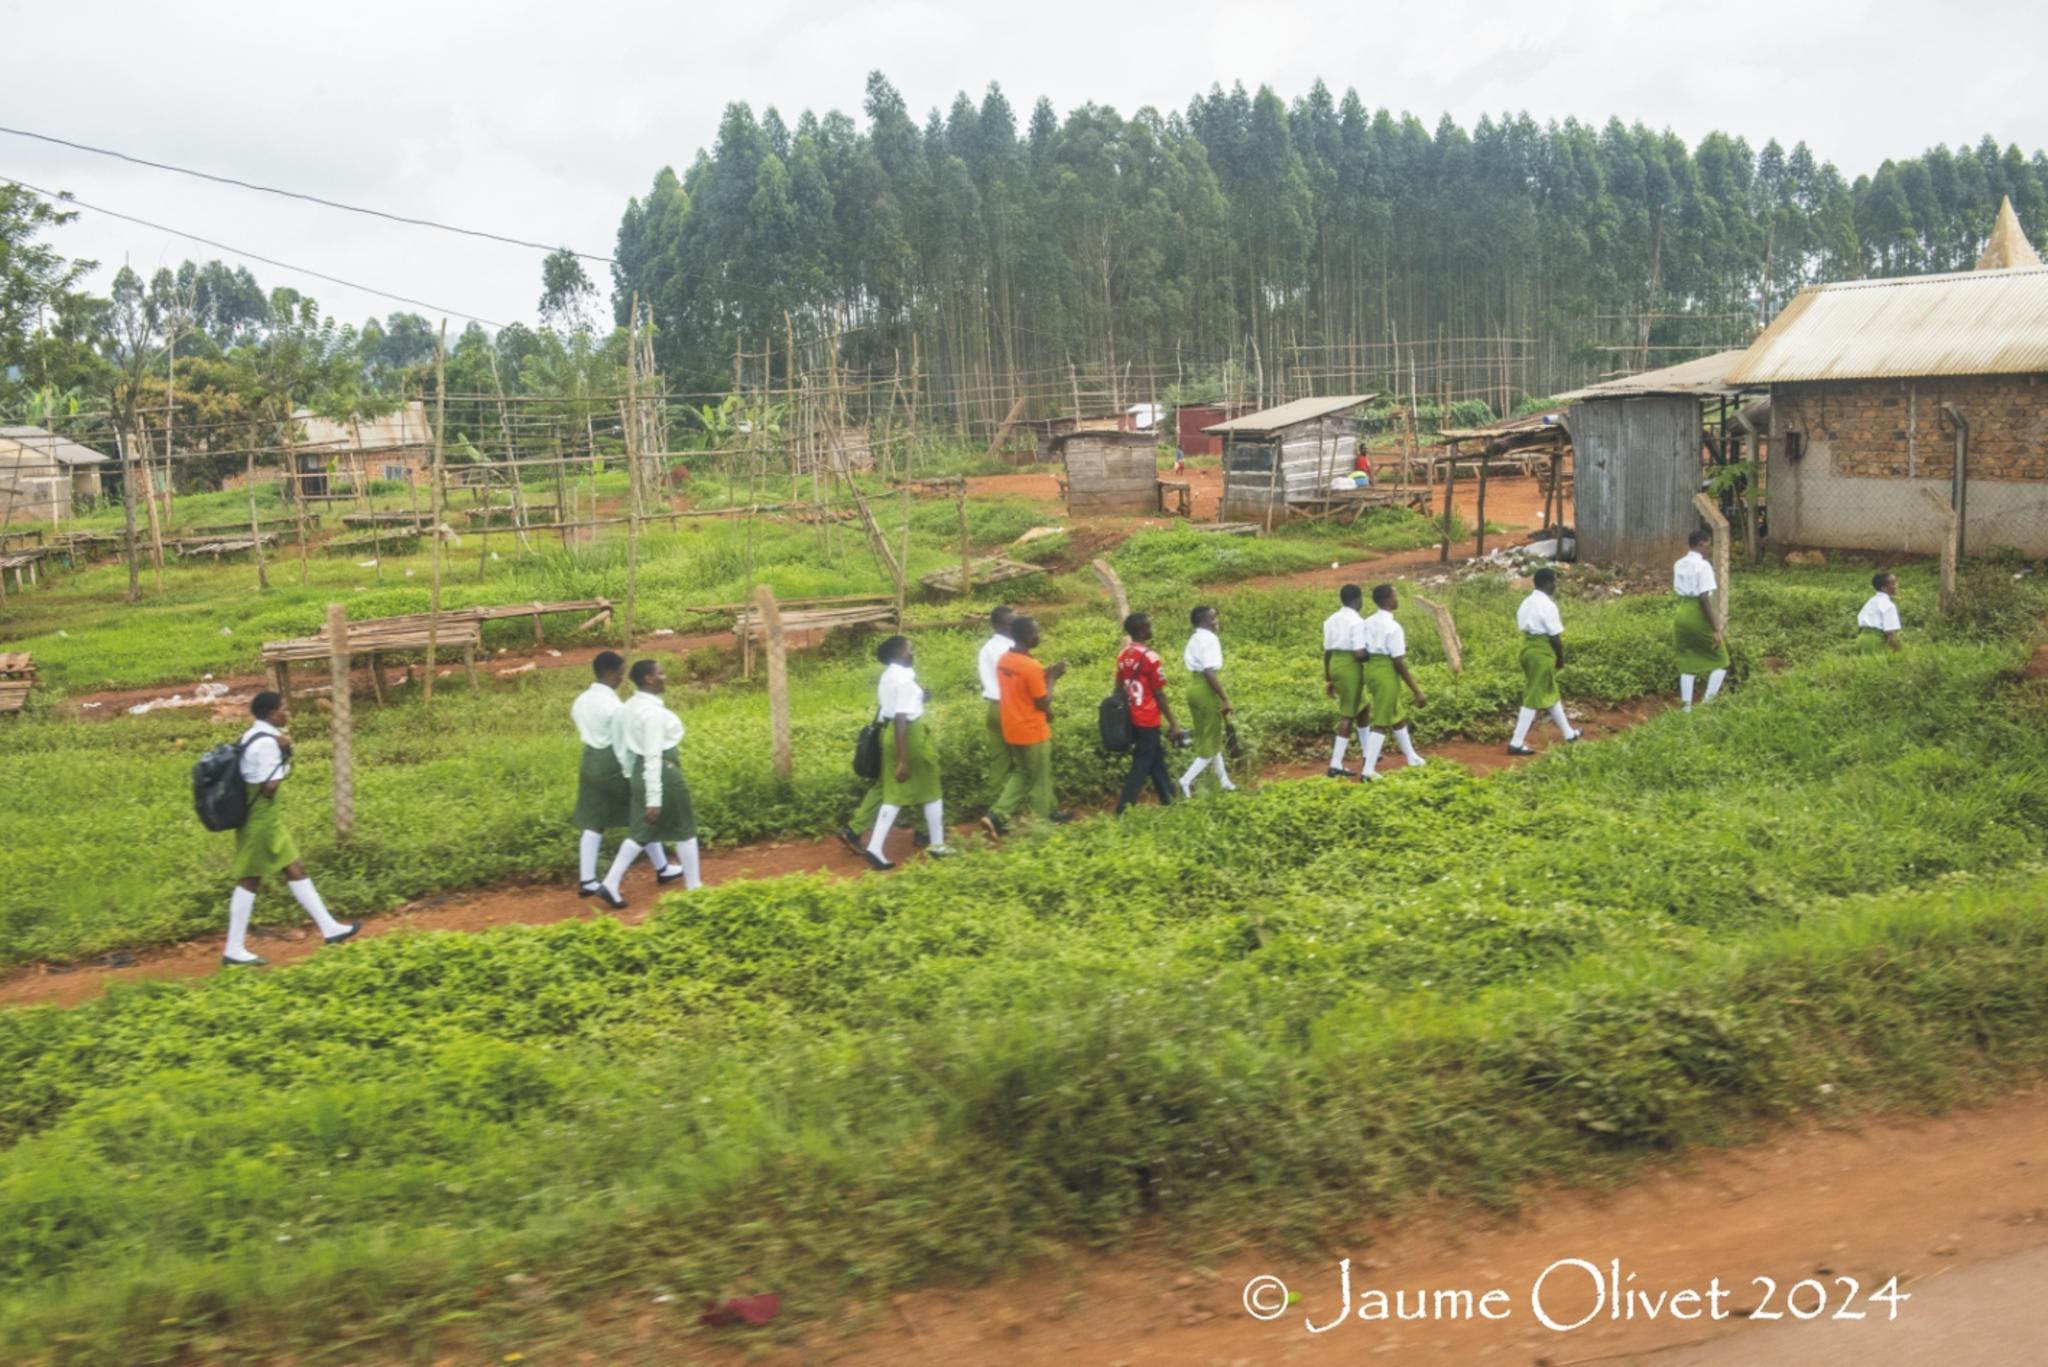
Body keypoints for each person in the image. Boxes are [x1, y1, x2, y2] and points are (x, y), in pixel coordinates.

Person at [221, 691, 357, 966]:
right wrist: (285, 754)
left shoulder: (251, 735)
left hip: (261, 817)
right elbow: (270, 787)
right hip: (262, 819)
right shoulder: (268, 743)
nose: (288, 713)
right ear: (272, 713)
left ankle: (330, 928)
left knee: (295, 869)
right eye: (285, 709)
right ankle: (233, 949)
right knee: (249, 879)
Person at [597, 658, 700, 907]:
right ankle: (695, 888)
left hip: (639, 772)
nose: (665, 677)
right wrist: (654, 797)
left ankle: (610, 883)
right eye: (661, 673)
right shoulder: (652, 714)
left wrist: (632, 775)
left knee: (641, 832)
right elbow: (653, 754)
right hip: (662, 773)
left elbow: (620, 747)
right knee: (685, 830)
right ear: (648, 679)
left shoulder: (627, 708)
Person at [848, 635, 952, 868]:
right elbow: (901, 718)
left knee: (896, 793)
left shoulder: (890, 676)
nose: (912, 653)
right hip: (909, 737)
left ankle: (877, 848)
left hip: (891, 736)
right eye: (909, 650)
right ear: (898, 654)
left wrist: (920, 696)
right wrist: (904, 760)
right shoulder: (904, 680)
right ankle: (936, 845)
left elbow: (897, 706)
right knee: (930, 790)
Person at [570, 651, 657, 900]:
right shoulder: (613, 706)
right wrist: (631, 767)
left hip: (589, 760)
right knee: (643, 812)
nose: (623, 677)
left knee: (594, 820)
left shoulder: (581, 700)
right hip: (611, 761)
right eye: (621, 671)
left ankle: (587, 880)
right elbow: (622, 742)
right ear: (610, 672)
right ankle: (663, 868)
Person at [983, 616, 1069, 834]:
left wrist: (1044, 674)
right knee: (1039, 778)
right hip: (1032, 730)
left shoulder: (1005, 660)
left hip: (1012, 726)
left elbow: (1020, 686)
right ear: (1023, 636)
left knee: (1023, 772)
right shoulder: (1030, 666)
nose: (1038, 636)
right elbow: (1042, 702)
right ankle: (1041, 825)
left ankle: (997, 816)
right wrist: (1052, 678)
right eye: (1035, 633)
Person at [1114, 612, 1188, 814]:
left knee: (1156, 758)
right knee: (1142, 763)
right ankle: (1123, 810)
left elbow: (1118, 687)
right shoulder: (1150, 657)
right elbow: (1159, 693)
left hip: (1132, 717)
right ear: (1141, 630)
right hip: (1147, 717)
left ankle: (1169, 799)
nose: (1151, 628)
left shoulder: (1124, 654)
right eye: (1149, 625)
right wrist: (1173, 722)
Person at [1508, 567, 1581, 756]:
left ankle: (1569, 734)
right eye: (1555, 581)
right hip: (1542, 652)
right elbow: (1555, 637)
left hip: (1527, 649)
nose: (1556, 585)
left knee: (1549, 691)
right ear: (1548, 583)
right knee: (1533, 696)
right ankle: (1515, 743)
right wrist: (1560, 659)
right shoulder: (1547, 605)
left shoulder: (1526, 602)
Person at [1359, 584, 1428, 777]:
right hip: (1386, 673)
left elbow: (1364, 649)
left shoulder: (1368, 621)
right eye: (1395, 595)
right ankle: (1368, 770)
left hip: (1372, 669)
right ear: (1389, 600)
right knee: (1381, 721)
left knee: (1396, 715)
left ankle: (1412, 757)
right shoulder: (1393, 627)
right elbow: (1398, 661)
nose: (1397, 599)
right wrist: (1416, 690)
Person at [1179, 605, 1236, 796]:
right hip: (1205, 689)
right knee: (1209, 745)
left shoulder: (1195, 637)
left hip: (1193, 689)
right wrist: (1224, 698)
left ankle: (1224, 781)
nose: (1216, 621)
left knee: (1210, 737)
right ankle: (1185, 781)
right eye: (1213, 618)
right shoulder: (1210, 639)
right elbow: (1209, 671)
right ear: (1204, 621)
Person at [1673, 530, 1729, 711]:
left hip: (1682, 613)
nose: (1710, 548)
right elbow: (1704, 598)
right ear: (1702, 544)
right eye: (1709, 544)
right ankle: (1707, 703)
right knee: (1721, 659)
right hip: (1697, 612)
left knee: (1687, 659)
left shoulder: (1679, 564)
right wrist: (1715, 629)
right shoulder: (1704, 566)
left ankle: (1686, 708)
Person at [1322, 584, 1370, 777]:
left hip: (1335, 663)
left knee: (1363, 706)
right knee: (1348, 713)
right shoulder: (1357, 621)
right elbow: (1359, 653)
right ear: (1358, 600)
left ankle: (1369, 753)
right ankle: (1335, 764)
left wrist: (1329, 677)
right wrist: (1374, 656)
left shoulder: (1331, 619)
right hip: (1350, 665)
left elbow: (1327, 651)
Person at [977, 605, 1018, 799]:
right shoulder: (1007, 650)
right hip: (1010, 707)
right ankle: (1039, 809)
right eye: (1012, 623)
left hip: (993, 708)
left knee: (999, 762)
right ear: (998, 625)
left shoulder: (988, 648)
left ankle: (995, 807)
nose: (1016, 627)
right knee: (1029, 761)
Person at [1858, 572, 1902, 652]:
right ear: (1884, 588)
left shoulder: (1871, 601)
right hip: (1875, 642)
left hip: (1861, 640)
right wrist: (1898, 650)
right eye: (1893, 583)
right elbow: (1890, 633)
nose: (1897, 585)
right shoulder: (1889, 606)